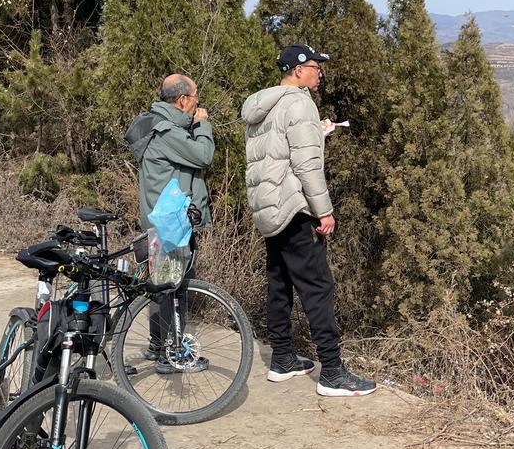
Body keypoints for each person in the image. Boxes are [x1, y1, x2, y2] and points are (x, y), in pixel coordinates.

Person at [241, 44, 377, 397]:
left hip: (268, 208)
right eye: (316, 67)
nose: (320, 73)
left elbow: (276, 152)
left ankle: (282, 358)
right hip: (294, 208)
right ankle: (332, 372)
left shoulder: (263, 105)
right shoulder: (300, 103)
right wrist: (324, 211)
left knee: (280, 283)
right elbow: (305, 166)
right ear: (299, 70)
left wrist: (317, 132)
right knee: (318, 286)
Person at [126, 73, 214, 373]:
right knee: (171, 287)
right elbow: (203, 156)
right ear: (183, 100)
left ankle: (158, 347)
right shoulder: (166, 132)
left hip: (164, 220)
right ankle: (171, 355)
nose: (198, 104)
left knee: (163, 287)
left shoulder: (158, 126)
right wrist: (203, 124)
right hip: (172, 224)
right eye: (196, 98)